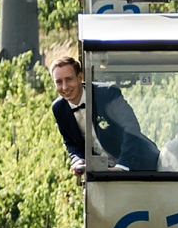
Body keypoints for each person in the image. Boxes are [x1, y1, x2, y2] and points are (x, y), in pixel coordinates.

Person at [49, 48, 159, 177]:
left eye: (69, 79)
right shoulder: (59, 108)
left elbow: (131, 127)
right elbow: (70, 142)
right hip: (103, 174)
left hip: (142, 165)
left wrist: (122, 165)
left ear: (80, 77)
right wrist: (77, 159)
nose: (65, 87)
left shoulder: (107, 93)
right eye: (59, 82)